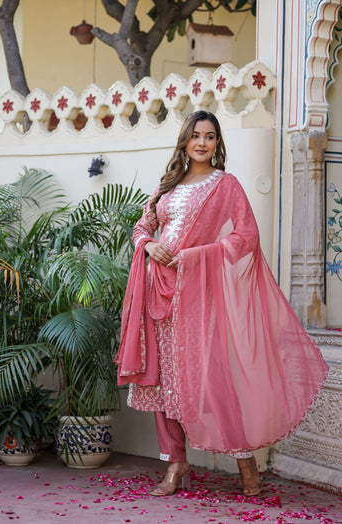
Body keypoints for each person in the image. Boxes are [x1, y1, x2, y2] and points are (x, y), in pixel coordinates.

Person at [115, 110, 328, 497]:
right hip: (157, 291)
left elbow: (247, 236)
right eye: (195, 135)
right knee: (164, 385)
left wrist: (197, 256)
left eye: (209, 136)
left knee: (211, 380)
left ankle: (247, 465)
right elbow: (142, 226)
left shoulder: (225, 184)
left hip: (197, 294)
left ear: (217, 143)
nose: (201, 142)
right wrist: (148, 245)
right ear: (184, 140)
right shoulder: (169, 185)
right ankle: (176, 464)